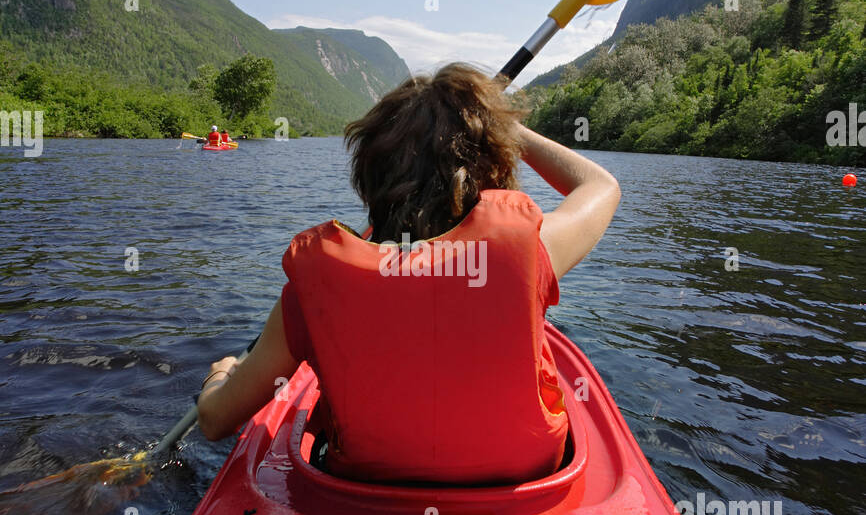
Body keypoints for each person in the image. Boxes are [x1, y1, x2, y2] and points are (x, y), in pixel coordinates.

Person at [198, 64, 620, 484]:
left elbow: (215, 421)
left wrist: (222, 372)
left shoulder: (314, 287)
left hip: (364, 492)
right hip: (525, 483)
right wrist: (505, 128)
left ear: (369, 172)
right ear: (495, 164)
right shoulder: (529, 252)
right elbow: (601, 186)